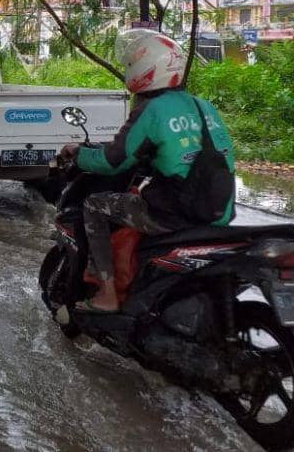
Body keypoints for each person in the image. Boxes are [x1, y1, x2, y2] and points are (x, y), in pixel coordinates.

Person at [59, 29, 236, 313]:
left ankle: (106, 294)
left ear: (144, 67)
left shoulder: (152, 110)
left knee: (94, 205)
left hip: (176, 213)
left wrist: (78, 154)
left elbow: (113, 161)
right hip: (221, 210)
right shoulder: (204, 107)